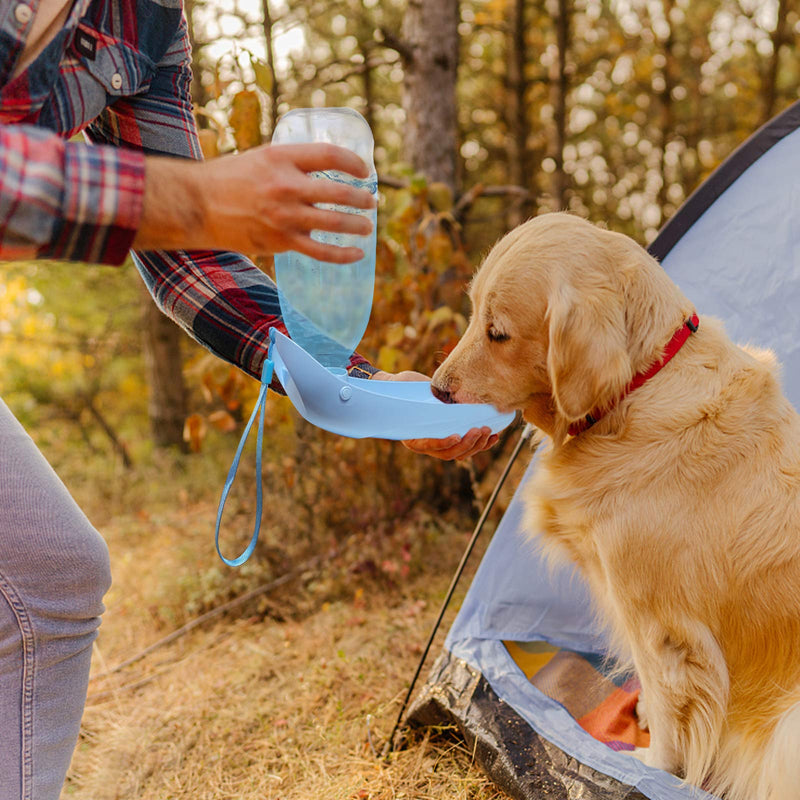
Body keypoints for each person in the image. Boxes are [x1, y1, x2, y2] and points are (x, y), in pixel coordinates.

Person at [0, 1, 499, 797]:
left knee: (50, 580)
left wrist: (365, 391)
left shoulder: (150, 21)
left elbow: (188, 262)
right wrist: (195, 198)